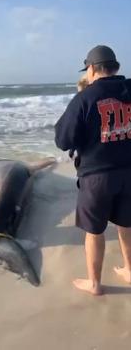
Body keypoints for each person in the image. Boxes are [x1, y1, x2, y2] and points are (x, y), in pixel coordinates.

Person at [55, 45, 131, 295]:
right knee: (126, 225)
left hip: (97, 177)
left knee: (94, 231)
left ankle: (95, 284)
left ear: (91, 69)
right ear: (116, 67)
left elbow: (63, 140)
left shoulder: (85, 98)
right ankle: (129, 270)